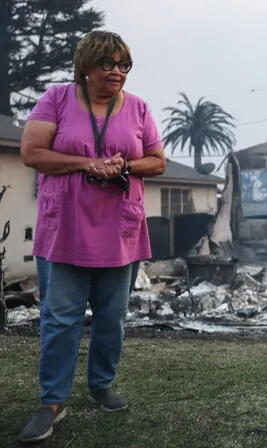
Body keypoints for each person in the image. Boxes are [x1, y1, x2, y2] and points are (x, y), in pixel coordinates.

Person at [19, 31, 165, 442]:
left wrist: (123, 167)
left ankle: (101, 384)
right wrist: (89, 163)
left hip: (119, 229)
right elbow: (33, 154)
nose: (118, 72)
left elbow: (156, 161)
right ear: (86, 67)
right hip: (65, 228)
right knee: (60, 319)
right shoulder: (58, 99)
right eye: (109, 64)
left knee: (111, 319)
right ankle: (51, 402)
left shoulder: (137, 108)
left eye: (124, 66)